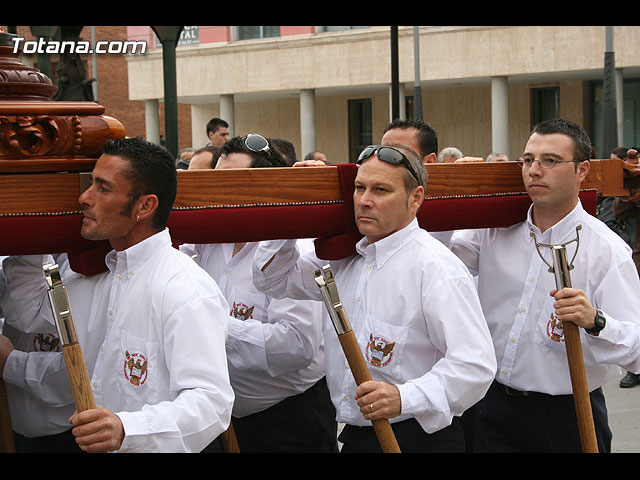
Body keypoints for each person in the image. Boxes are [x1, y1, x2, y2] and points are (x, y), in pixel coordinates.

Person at [253, 143, 497, 453]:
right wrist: (294, 206)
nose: (365, 201)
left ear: (416, 198)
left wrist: (404, 397)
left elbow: (475, 364)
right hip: (358, 437)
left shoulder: (436, 268)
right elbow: (271, 279)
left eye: (381, 190)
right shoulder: (344, 259)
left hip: (418, 437)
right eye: (359, 188)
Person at [0, 137, 234, 453]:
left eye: (103, 188)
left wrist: (127, 429)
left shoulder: (185, 289)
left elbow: (211, 403)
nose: (84, 197)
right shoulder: (92, 276)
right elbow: (27, 313)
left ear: (145, 206)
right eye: (89, 184)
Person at [449, 119, 640, 453]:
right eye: (528, 160)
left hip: (568, 415)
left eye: (550, 160)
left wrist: (597, 322)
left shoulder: (607, 251)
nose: (534, 170)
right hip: (493, 409)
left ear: (582, 170)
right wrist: (451, 184)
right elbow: (440, 261)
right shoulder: (492, 230)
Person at [181, 134, 338, 452]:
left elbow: (297, 346)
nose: (219, 195)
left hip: (288, 422)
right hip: (224, 420)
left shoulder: (290, 250)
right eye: (215, 183)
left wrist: (213, 325)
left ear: (263, 186)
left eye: (232, 184)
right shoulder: (207, 240)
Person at [0, 254, 84, 453]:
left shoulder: (91, 270)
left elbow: (77, 373)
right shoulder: (51, 254)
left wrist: (10, 362)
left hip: (65, 435)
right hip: (12, 424)